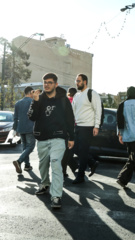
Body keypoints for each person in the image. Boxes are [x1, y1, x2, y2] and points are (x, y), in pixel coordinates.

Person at [28, 73, 75, 209]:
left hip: (58, 137)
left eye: (49, 82)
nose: (46, 85)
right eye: (45, 82)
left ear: (56, 84)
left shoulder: (63, 100)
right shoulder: (39, 98)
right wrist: (35, 101)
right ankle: (44, 184)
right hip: (42, 138)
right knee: (43, 165)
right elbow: (32, 117)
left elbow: (70, 119)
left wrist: (71, 137)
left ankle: (56, 196)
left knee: (55, 164)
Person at [70, 74, 101, 184]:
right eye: (76, 81)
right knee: (73, 148)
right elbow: (73, 112)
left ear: (85, 82)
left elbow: (98, 110)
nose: (76, 83)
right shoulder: (76, 95)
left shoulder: (92, 93)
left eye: (78, 81)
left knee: (83, 152)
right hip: (77, 126)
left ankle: (81, 176)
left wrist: (96, 126)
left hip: (87, 127)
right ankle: (92, 162)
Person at [116, 86, 135, 188]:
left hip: (127, 134)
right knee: (134, 159)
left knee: (133, 157)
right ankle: (122, 178)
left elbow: (119, 121)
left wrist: (119, 134)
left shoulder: (122, 105)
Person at [12, 86, 35, 173]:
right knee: (30, 146)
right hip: (30, 127)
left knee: (25, 147)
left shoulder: (18, 103)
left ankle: (27, 165)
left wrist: (15, 129)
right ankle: (19, 161)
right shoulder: (33, 102)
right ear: (31, 92)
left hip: (20, 128)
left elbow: (15, 117)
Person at [61, 87, 78, 177]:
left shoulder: (64, 101)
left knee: (65, 151)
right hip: (73, 126)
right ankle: (67, 169)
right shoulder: (76, 101)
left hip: (63, 128)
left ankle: (69, 168)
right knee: (68, 150)